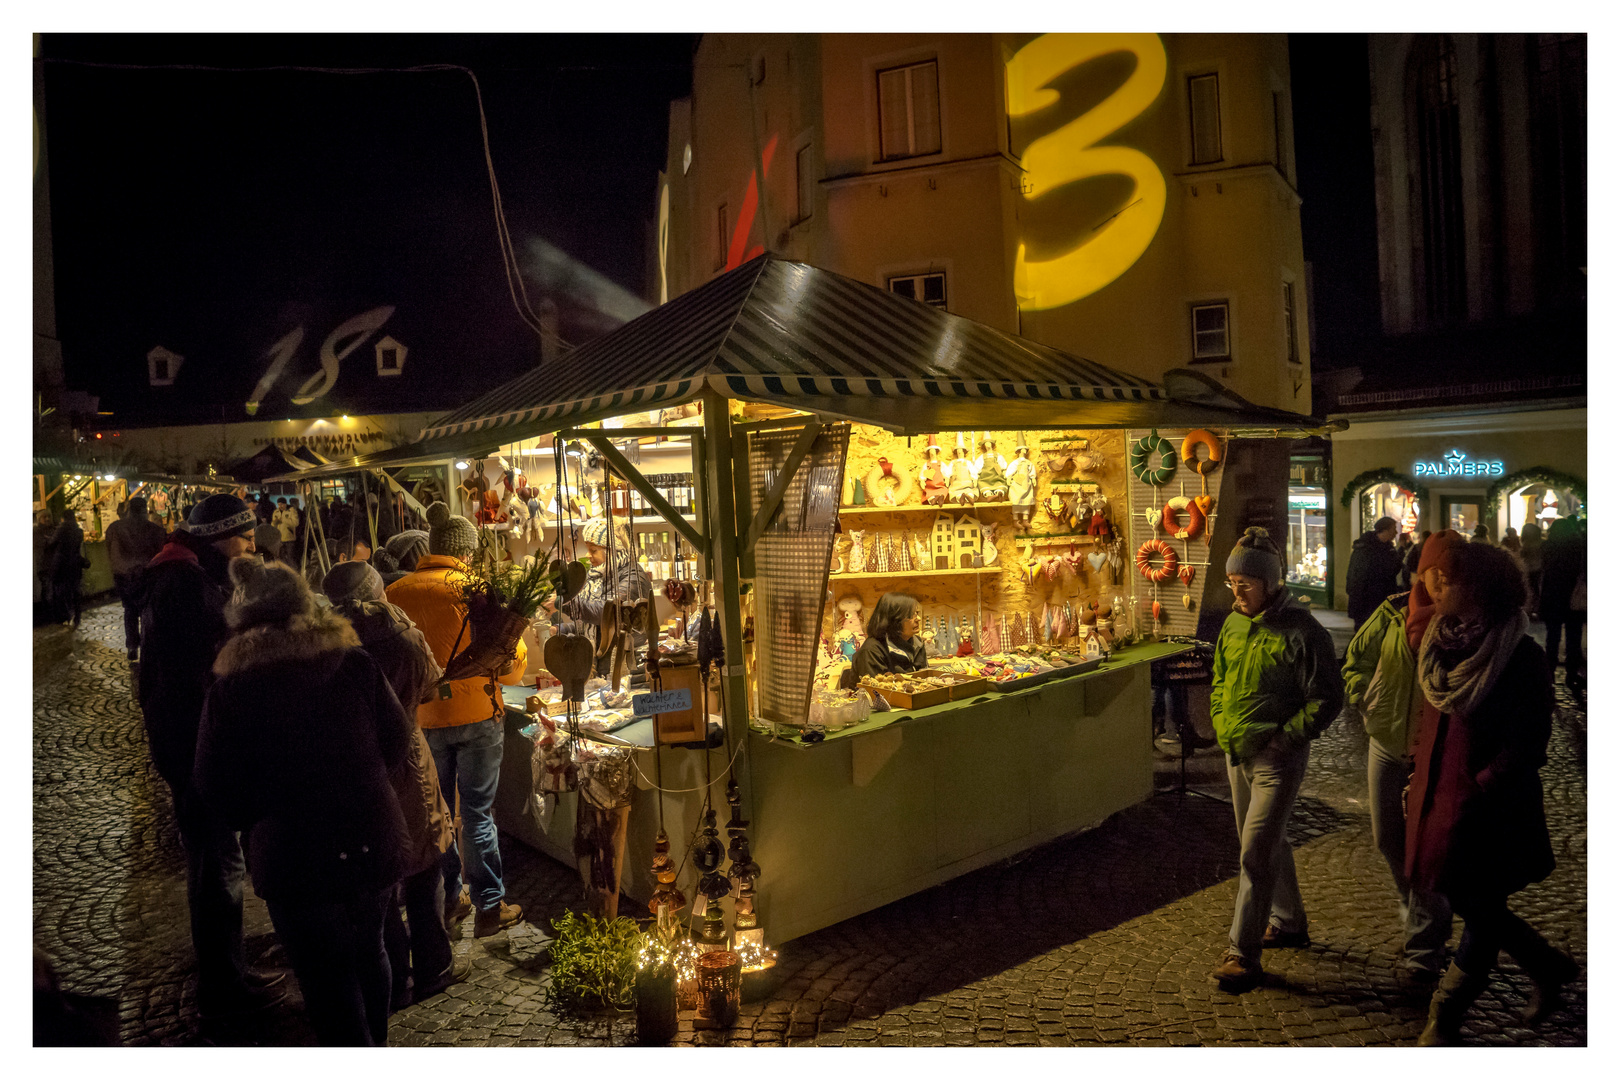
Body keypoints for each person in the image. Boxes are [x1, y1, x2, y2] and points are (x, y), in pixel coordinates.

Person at [193, 557, 413, 1046]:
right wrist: (364, 781)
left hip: (294, 856)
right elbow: (398, 740)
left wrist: (260, 814)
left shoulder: (231, 692)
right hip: (371, 837)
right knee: (370, 950)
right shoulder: (353, 663)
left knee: (325, 975)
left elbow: (214, 788)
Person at [1406, 541, 1578, 1045]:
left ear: (1478, 588)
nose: (1433, 586)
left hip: (1492, 807)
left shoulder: (1519, 655)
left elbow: (1529, 741)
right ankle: (1547, 965)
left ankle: (1446, 1014)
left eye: (1446, 579)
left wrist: (1481, 787)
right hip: (1439, 797)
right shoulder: (1441, 643)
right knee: (1471, 901)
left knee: (1481, 906)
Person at [133, 494, 284, 1023]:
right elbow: (207, 674)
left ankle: (227, 970)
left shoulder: (180, 576)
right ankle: (226, 984)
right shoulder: (187, 588)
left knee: (213, 860)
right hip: (195, 747)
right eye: (244, 536)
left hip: (185, 744)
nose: (249, 544)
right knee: (219, 864)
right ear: (222, 535)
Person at [321, 561, 469, 1010]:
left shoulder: (324, 644)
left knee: (382, 875)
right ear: (378, 591)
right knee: (424, 865)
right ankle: (433, 964)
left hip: (356, 770)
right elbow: (429, 688)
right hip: (405, 757)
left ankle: (394, 971)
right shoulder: (403, 637)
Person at [1209, 527, 1344, 991]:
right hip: (1236, 751)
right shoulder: (1232, 625)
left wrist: (1287, 739)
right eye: (1231, 583)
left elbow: (1326, 698)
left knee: (1254, 852)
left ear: (1270, 582)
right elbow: (1220, 680)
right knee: (1269, 844)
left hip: (1276, 758)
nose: (1237, 592)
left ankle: (1242, 953)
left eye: (1245, 584)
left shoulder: (1304, 632)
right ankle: (1288, 922)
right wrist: (1220, 721)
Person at [387, 502, 527, 938]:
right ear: (466, 552)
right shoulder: (477, 589)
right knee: (479, 813)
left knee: (440, 813)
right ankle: (490, 905)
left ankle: (451, 899)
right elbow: (511, 664)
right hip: (478, 712)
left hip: (425, 717)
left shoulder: (395, 593)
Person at [1341, 530, 1466, 983]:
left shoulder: (1464, 623)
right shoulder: (1394, 611)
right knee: (1386, 839)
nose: (1441, 584)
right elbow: (1355, 660)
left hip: (1431, 753)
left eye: (1450, 576)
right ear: (1422, 571)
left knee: (1426, 851)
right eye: (1435, 573)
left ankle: (1424, 948)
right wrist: (1364, 697)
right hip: (1386, 740)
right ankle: (1419, 915)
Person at [545, 517, 653, 677]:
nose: (588, 555)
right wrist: (563, 630)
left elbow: (607, 613)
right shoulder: (598, 576)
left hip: (629, 670)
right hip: (601, 671)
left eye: (593, 550)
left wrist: (564, 603)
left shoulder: (633, 578)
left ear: (612, 550)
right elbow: (593, 628)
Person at [105, 497, 168, 660]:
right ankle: (148, 645)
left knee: (130, 610)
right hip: (148, 574)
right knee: (148, 611)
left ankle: (132, 645)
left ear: (128, 509)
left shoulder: (114, 528)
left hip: (123, 575)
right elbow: (162, 552)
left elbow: (109, 550)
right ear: (144, 509)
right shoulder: (155, 529)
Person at [1537, 517, 1585, 692]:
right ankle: (1572, 674)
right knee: (1574, 638)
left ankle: (1549, 673)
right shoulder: (1577, 546)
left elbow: (1544, 572)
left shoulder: (1548, 547)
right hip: (1573, 597)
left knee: (1553, 637)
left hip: (1553, 597)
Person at [849, 592, 927, 681]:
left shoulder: (917, 643)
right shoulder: (871, 651)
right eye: (911, 615)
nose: (918, 619)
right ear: (894, 619)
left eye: (916, 613)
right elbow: (875, 691)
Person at [1345, 516, 1403, 632]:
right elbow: (1362, 575)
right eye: (1394, 529)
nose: (1396, 532)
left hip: (1379, 600)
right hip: (1367, 601)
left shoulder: (1387, 549)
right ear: (1385, 530)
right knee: (1364, 633)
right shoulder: (1366, 549)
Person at [46, 510, 88, 627]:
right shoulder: (78, 531)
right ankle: (77, 614)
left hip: (61, 564)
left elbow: (51, 543)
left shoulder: (61, 529)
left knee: (61, 590)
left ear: (63, 518)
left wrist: (48, 539)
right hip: (75, 562)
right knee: (75, 589)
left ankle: (66, 615)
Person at [1519, 522, 1544, 616]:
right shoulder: (1541, 543)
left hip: (1529, 568)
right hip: (1540, 567)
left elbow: (1522, 556)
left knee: (1531, 589)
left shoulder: (1526, 543)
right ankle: (1537, 608)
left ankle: (1530, 609)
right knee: (1537, 589)